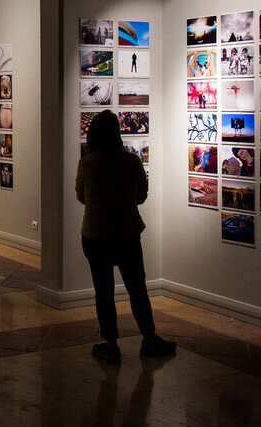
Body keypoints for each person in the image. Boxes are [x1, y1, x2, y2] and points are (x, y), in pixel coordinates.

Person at [76, 110, 176, 364]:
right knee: (137, 289)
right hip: (127, 234)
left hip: (95, 234)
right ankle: (149, 337)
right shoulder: (131, 162)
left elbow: (81, 196)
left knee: (104, 292)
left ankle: (111, 345)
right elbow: (141, 196)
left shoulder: (87, 162)